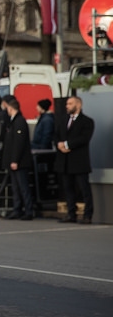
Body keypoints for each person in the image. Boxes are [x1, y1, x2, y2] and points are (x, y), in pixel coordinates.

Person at [54, 95, 95, 224]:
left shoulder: (87, 121)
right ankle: (71, 214)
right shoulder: (63, 120)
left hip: (79, 161)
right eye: (67, 104)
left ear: (78, 105)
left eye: (70, 104)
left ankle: (88, 215)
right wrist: (59, 144)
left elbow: (84, 138)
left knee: (84, 189)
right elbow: (56, 134)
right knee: (68, 188)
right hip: (65, 161)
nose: (67, 106)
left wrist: (67, 145)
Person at [1, 96, 34, 220]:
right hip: (13, 161)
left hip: (20, 162)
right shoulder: (13, 121)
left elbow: (18, 143)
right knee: (15, 187)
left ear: (10, 108)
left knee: (23, 187)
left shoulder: (19, 121)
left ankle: (28, 210)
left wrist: (15, 160)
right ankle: (17, 208)